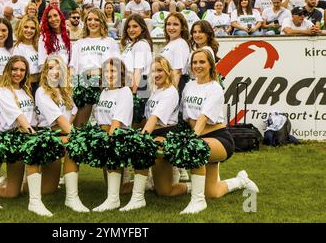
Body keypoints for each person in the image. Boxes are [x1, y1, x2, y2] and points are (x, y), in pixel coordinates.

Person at [179, 49, 259, 214]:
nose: (198, 66)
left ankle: (198, 201)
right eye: (195, 62)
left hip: (219, 139)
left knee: (195, 149)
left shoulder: (215, 87)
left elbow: (202, 118)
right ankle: (240, 181)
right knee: (212, 193)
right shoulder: (188, 86)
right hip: (200, 137)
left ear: (210, 65)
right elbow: (186, 117)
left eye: (202, 62)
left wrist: (192, 139)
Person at [0, 55, 52, 215]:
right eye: (14, 69)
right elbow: (20, 117)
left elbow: (33, 116)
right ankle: (35, 202)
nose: (18, 73)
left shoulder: (25, 91)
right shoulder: (3, 91)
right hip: (14, 137)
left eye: (22, 70)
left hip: (27, 133)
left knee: (12, 192)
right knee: (33, 150)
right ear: (8, 70)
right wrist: (33, 135)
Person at [35, 55, 89, 212]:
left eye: (58, 67)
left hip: (62, 134)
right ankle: (13, 184)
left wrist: (70, 132)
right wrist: (75, 136)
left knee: (49, 189)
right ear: (45, 72)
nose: (54, 71)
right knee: (46, 189)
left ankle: (72, 198)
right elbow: (59, 119)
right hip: (47, 136)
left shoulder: (65, 91)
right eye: (50, 68)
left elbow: (72, 112)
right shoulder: (41, 91)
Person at [92, 57, 137, 212]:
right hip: (104, 134)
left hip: (117, 136)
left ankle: (113, 200)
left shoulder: (124, 91)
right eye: (106, 71)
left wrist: (107, 141)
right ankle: (145, 183)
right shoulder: (104, 92)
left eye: (113, 71)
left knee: (115, 182)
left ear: (121, 73)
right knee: (120, 187)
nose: (109, 75)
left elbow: (117, 122)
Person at [146, 56, 190, 198]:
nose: (156, 74)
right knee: (158, 189)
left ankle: (193, 186)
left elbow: (154, 119)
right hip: (154, 135)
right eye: (153, 71)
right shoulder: (156, 91)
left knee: (165, 192)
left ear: (168, 72)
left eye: (160, 70)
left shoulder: (170, 92)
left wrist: (140, 140)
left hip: (164, 136)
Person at [70, 8, 119, 127]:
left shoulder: (110, 42)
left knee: (103, 125)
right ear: (85, 22)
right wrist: (73, 88)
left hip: (104, 86)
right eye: (89, 19)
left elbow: (116, 66)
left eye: (96, 19)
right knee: (79, 128)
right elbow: (73, 68)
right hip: (84, 87)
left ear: (102, 22)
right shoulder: (79, 43)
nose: (93, 22)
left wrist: (96, 72)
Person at [120, 14, 153, 98]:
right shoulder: (132, 44)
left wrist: (133, 95)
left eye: (135, 26)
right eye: (128, 27)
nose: (131, 30)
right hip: (130, 86)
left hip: (138, 87)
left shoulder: (141, 44)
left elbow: (138, 71)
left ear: (142, 28)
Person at [159, 12, 190, 92]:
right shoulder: (170, 44)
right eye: (168, 24)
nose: (171, 27)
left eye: (175, 24)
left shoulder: (180, 43)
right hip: (166, 84)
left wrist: (171, 94)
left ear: (182, 27)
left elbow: (177, 72)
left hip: (175, 84)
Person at [37, 6, 71, 70]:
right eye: (49, 17)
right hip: (52, 74)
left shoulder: (68, 34)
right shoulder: (44, 37)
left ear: (60, 17)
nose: (53, 19)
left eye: (55, 15)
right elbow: (42, 62)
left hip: (67, 74)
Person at [12, 17, 40, 95]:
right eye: (26, 27)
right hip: (27, 86)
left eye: (32, 28)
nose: (29, 30)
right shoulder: (18, 48)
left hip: (41, 84)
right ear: (21, 28)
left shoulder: (38, 46)